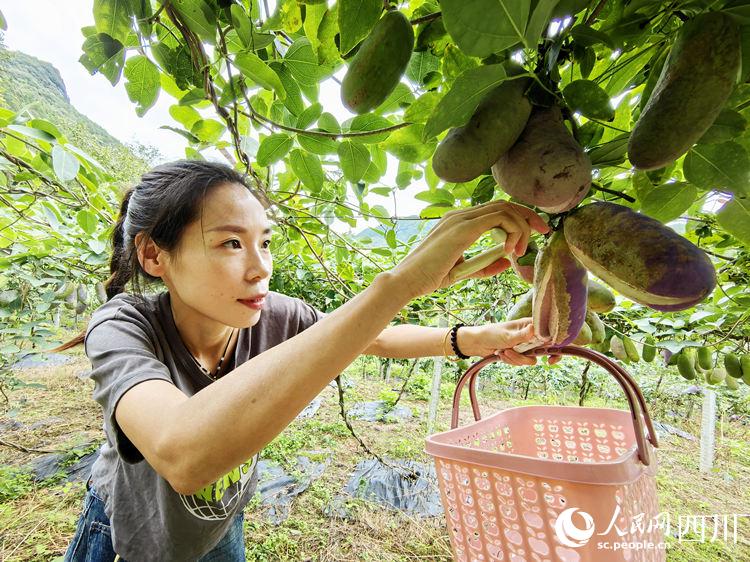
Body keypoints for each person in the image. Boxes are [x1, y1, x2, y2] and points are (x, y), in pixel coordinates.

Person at [51, 160, 550, 561]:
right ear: (154, 256)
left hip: (221, 519)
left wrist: (468, 338)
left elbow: (367, 338)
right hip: (126, 524)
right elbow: (182, 454)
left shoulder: (273, 314)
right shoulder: (122, 326)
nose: (261, 267)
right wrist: (399, 285)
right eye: (230, 242)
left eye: (264, 242)